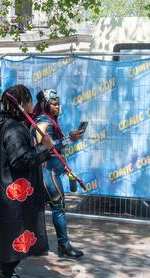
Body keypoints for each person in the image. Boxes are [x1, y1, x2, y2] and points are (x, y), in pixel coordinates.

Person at [0, 85, 54, 278]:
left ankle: (6, 270)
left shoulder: (15, 126)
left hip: (18, 192)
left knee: (18, 232)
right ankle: (3, 276)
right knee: (14, 233)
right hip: (13, 194)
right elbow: (20, 161)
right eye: (28, 100)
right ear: (20, 104)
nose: (32, 105)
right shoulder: (13, 128)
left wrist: (48, 147)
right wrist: (43, 147)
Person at [32, 89, 84, 258]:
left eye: (58, 103)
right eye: (54, 103)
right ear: (45, 104)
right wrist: (70, 139)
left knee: (55, 207)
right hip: (47, 172)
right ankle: (64, 245)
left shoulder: (49, 121)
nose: (58, 107)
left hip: (51, 171)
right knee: (58, 207)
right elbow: (47, 147)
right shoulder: (43, 122)